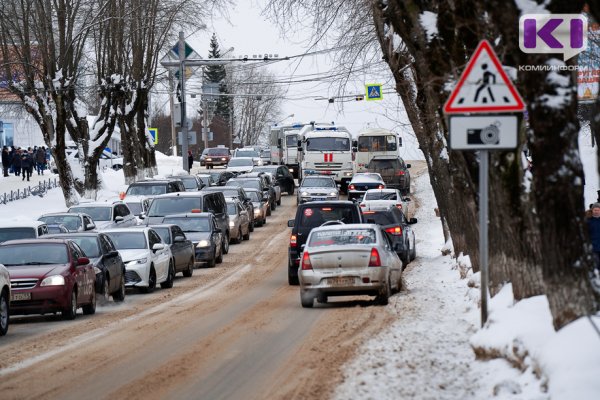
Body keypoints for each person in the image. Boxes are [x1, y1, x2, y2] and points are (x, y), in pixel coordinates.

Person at [587, 203, 600, 276]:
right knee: (596, 265)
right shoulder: (589, 221)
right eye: (595, 210)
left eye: (598, 210)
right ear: (592, 211)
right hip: (594, 247)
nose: (596, 211)